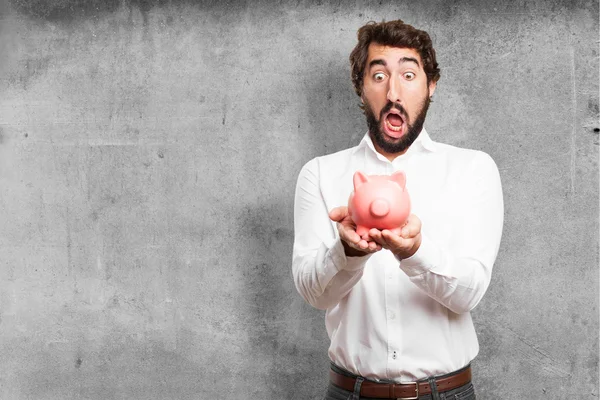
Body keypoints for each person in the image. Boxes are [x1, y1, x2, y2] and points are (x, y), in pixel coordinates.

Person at [292, 19, 503, 400]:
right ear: (360, 87)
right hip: (350, 392)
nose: (393, 91)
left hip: (445, 393)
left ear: (430, 84)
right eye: (378, 75)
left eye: (408, 74)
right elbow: (314, 293)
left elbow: (469, 293)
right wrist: (348, 253)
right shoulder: (320, 174)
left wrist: (415, 251)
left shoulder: (473, 169)